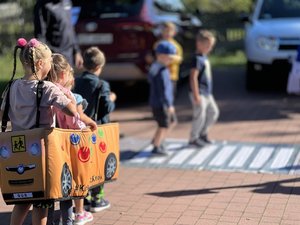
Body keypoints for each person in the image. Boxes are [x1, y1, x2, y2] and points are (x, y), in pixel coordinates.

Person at [0, 38, 78, 225]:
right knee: (41, 202)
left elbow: (2, 114)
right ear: (40, 63)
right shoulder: (47, 88)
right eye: (50, 61)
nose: (51, 65)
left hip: (17, 151)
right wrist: (68, 97)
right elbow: (72, 111)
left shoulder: (12, 87)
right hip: (41, 152)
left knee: (22, 201)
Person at [47, 53, 97, 225]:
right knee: (76, 178)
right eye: (69, 73)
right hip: (72, 141)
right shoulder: (68, 95)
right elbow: (78, 116)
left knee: (57, 180)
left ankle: (52, 218)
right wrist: (91, 123)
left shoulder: (45, 89)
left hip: (54, 142)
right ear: (63, 75)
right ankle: (80, 213)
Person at [74, 47, 116, 212]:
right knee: (99, 162)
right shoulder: (101, 84)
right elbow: (106, 108)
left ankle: (84, 199)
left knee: (83, 163)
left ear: (84, 63)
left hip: (79, 129)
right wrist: (112, 98)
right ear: (100, 66)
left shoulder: (75, 81)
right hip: (97, 128)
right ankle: (97, 199)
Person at [188, 30, 219, 147]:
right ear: (199, 44)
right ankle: (193, 138)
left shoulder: (204, 57)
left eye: (211, 46)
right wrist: (196, 95)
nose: (209, 48)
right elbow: (193, 77)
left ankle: (203, 133)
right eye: (207, 46)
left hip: (207, 93)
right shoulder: (196, 59)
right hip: (199, 92)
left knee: (213, 112)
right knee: (199, 115)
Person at [34, 0, 83, 69]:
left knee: (68, 79)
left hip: (69, 55)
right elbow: (40, 35)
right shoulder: (42, 5)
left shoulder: (67, 2)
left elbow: (70, 28)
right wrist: (45, 56)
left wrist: (77, 51)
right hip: (54, 55)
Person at [148, 40, 177, 155]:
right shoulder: (162, 71)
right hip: (162, 104)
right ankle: (157, 146)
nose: (171, 60)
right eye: (169, 58)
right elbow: (164, 90)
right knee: (165, 125)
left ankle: (156, 140)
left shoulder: (155, 68)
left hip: (156, 103)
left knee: (163, 124)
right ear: (161, 56)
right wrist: (169, 105)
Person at [154, 22, 183, 98]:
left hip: (171, 76)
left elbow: (180, 59)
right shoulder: (158, 44)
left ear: (174, 33)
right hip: (159, 75)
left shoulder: (176, 46)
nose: (167, 33)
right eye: (165, 31)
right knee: (159, 95)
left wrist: (170, 57)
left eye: (169, 31)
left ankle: (169, 107)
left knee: (170, 95)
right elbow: (156, 57)